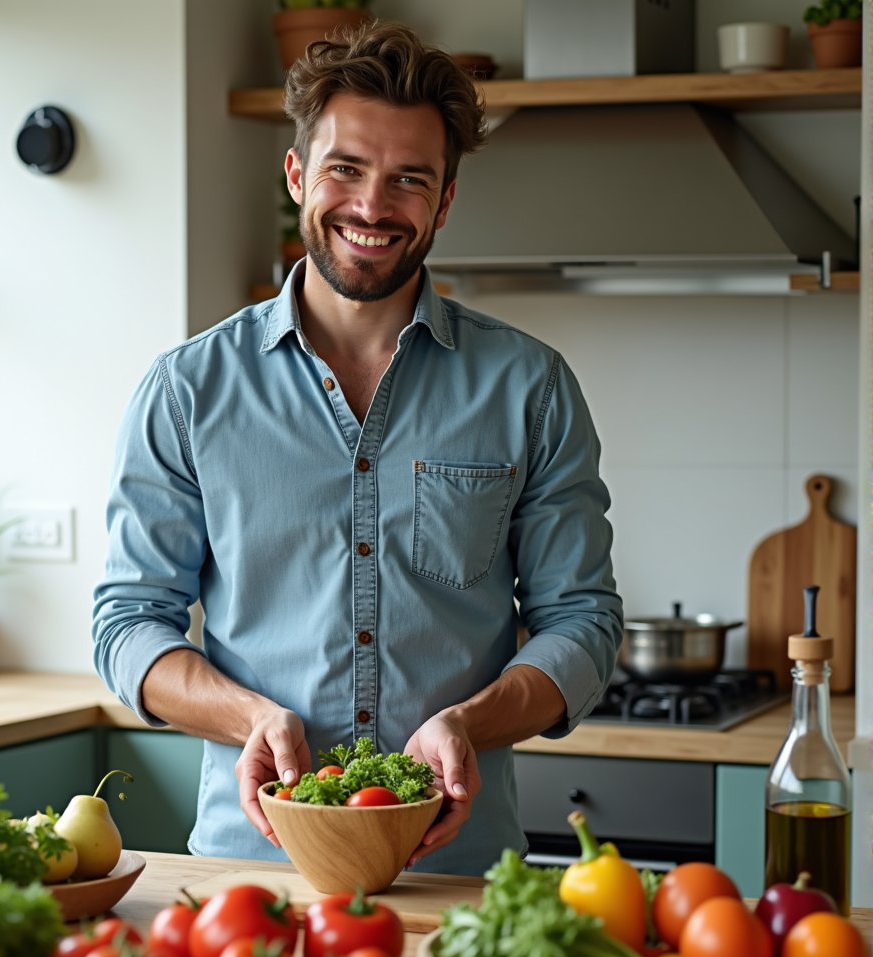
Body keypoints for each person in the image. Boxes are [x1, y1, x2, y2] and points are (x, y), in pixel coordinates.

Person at [92, 20, 623, 876]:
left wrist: (467, 725)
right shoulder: (187, 391)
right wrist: (247, 720)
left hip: (459, 873)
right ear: (298, 174)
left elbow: (583, 623)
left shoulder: (531, 387)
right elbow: (127, 625)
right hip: (254, 873)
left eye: (408, 179)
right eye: (345, 168)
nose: (372, 207)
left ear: (444, 201)